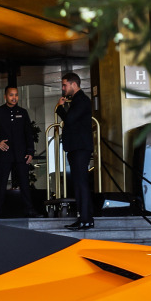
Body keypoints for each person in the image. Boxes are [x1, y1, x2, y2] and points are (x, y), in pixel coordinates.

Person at [0, 85, 36, 218]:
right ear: (5, 96)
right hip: (5, 153)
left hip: (21, 153)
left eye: (16, 95)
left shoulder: (23, 112)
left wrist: (30, 152)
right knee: (1, 183)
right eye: (11, 95)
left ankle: (29, 210)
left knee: (25, 183)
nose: (14, 98)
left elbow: (28, 133)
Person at [56, 71, 94, 229]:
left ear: (73, 84)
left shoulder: (82, 100)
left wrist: (60, 108)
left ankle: (85, 219)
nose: (63, 88)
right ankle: (84, 218)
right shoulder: (77, 101)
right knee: (79, 183)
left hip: (80, 147)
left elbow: (70, 120)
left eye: (65, 85)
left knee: (81, 183)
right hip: (76, 147)